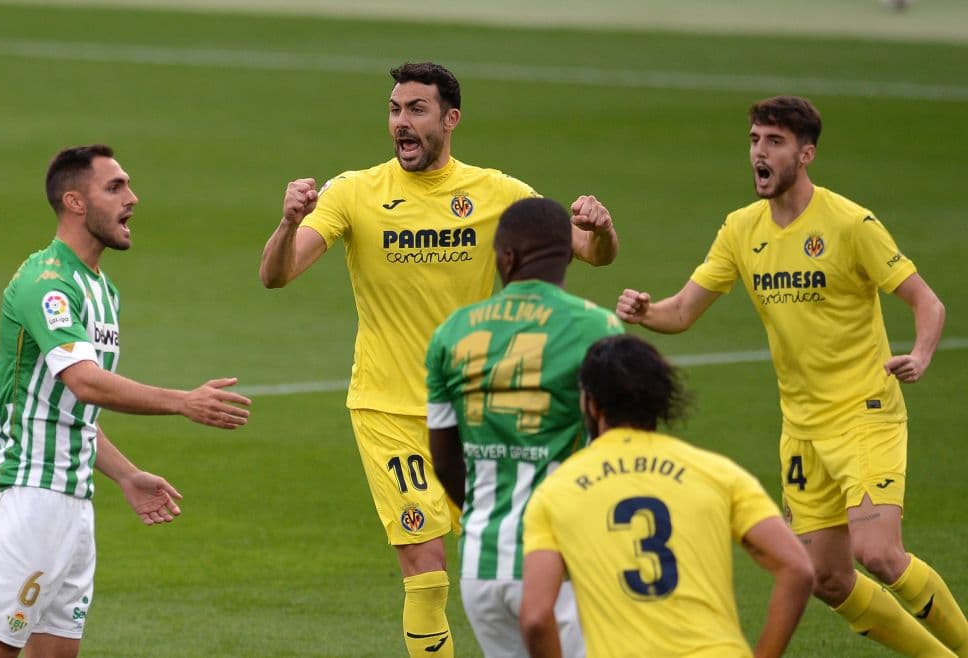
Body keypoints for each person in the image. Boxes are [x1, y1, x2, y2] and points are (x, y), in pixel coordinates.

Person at [259, 62, 618, 657]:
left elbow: (591, 252)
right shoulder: (355, 192)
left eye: (416, 110)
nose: (401, 122)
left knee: (508, 564)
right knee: (424, 568)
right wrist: (287, 221)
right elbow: (279, 273)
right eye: (395, 109)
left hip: (482, 411)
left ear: (450, 120)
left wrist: (601, 229)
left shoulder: (498, 193)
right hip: (387, 408)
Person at [616, 95, 967, 656]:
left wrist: (921, 355)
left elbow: (928, 303)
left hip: (865, 415)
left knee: (878, 553)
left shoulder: (851, 223)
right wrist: (643, 311)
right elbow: (681, 311)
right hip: (801, 429)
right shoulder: (740, 229)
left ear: (806, 154)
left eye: (774, 142)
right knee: (828, 580)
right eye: (755, 139)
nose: (759, 152)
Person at [0, 144, 252, 658]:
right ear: (75, 202)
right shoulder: (48, 284)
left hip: (73, 503)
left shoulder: (102, 290)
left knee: (59, 652)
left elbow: (71, 410)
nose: (132, 198)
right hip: (26, 496)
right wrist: (181, 401)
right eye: (115, 187)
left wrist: (127, 475)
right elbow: (86, 383)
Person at [519, 334, 814, 658]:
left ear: (591, 403)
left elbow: (535, 617)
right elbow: (798, 568)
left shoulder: (556, 491)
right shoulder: (718, 473)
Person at [424, 197, 623, 658]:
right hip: (564, 563)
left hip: (482, 559)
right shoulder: (597, 328)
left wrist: (484, 513)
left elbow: (445, 459)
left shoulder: (453, 332)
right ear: (566, 254)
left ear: (507, 257)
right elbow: (614, 452)